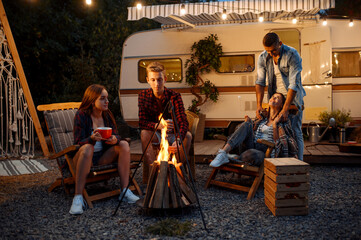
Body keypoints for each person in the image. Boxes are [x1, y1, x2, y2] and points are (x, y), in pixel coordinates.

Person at [69, 84, 139, 215]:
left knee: (123, 144)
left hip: (102, 158)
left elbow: (117, 134)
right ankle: (78, 198)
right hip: (83, 159)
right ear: (91, 100)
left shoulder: (107, 115)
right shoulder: (81, 115)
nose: (107, 101)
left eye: (107, 98)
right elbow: (77, 143)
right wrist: (91, 138)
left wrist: (115, 139)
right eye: (102, 98)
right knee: (88, 148)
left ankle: (124, 191)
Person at [210, 92, 298, 167]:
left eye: (277, 98)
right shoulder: (262, 119)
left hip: (266, 151)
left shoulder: (283, 122)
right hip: (253, 144)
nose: (273, 98)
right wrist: (250, 125)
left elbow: (279, 144)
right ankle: (223, 153)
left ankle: (233, 158)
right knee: (246, 124)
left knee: (251, 153)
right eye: (272, 97)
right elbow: (253, 134)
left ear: (282, 105)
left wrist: (274, 124)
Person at [255, 32, 306, 160]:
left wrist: (285, 109)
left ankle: (298, 164)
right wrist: (258, 105)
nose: (270, 54)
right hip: (276, 96)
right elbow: (260, 82)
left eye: (273, 51)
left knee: (294, 131)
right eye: (267, 51)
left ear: (280, 44)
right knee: (277, 130)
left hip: (292, 97)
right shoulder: (263, 57)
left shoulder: (292, 54)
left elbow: (294, 84)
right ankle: (278, 162)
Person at [139, 62, 192, 177]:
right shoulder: (143, 96)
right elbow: (142, 122)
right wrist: (157, 126)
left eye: (159, 79)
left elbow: (183, 121)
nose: (156, 83)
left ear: (165, 79)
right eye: (153, 80)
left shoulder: (174, 96)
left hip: (173, 134)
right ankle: (156, 173)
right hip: (156, 133)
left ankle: (175, 173)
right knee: (144, 134)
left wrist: (178, 140)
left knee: (187, 136)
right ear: (148, 80)